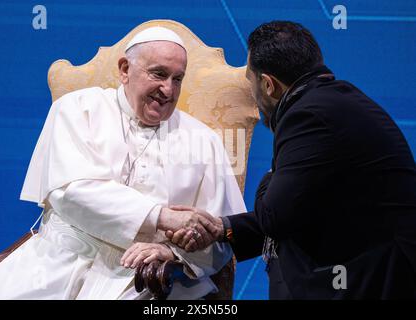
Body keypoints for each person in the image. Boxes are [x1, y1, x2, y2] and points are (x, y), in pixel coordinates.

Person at [0, 26, 246, 300]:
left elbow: (220, 233)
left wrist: (174, 253)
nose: (168, 89)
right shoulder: (77, 109)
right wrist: (163, 216)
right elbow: (70, 192)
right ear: (125, 69)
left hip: (142, 276)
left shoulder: (203, 140)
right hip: (58, 260)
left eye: (178, 79)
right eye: (159, 74)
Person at [166, 21, 416, 299]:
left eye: (251, 83)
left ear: (268, 85)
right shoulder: (334, 101)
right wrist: (223, 227)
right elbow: (299, 208)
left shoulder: (307, 116)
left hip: (370, 281)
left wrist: (269, 177)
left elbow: (276, 216)